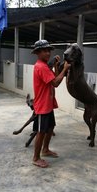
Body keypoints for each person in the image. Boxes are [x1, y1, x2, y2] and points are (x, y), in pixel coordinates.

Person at [31, 39, 70, 168]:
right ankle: (36, 158)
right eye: (44, 51)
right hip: (42, 106)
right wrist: (65, 69)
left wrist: (56, 67)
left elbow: (55, 79)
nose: (48, 53)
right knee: (41, 132)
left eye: (49, 50)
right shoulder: (41, 67)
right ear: (38, 52)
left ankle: (45, 149)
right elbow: (56, 83)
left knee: (50, 127)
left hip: (47, 104)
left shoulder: (45, 66)